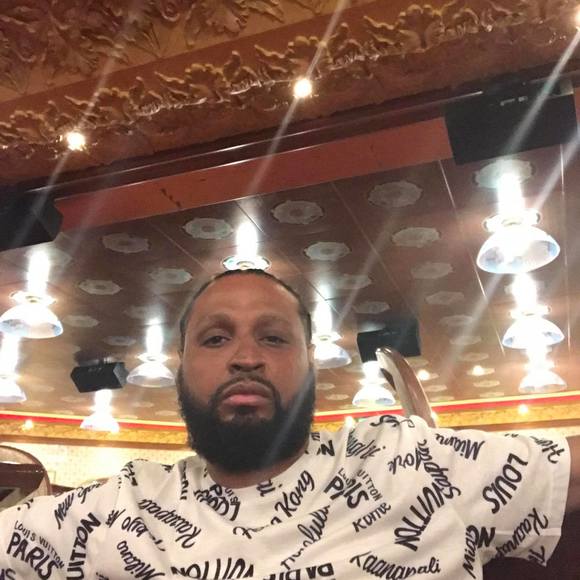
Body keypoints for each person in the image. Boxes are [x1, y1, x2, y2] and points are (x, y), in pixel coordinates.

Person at [0, 268, 578, 580]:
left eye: (274, 338)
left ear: (310, 366)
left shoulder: (414, 462)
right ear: (182, 368)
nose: (246, 357)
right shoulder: (115, 508)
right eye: (215, 338)